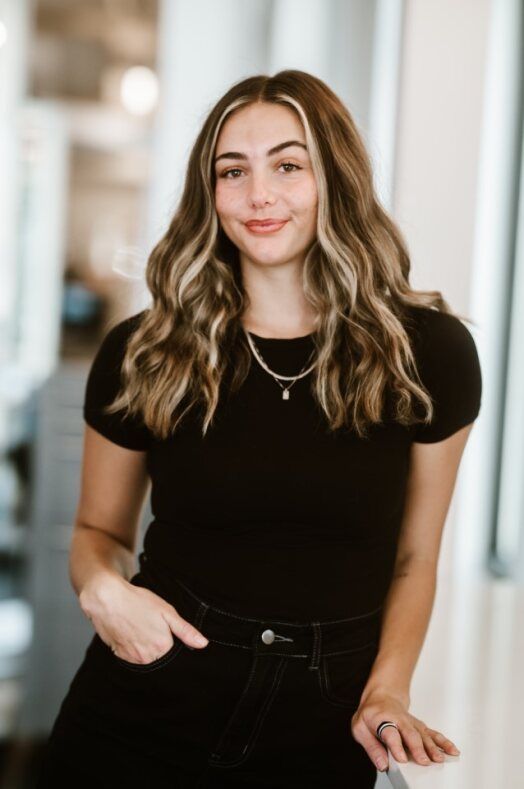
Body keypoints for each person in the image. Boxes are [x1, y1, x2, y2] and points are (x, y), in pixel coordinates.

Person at [37, 69, 482, 788]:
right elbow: (99, 534)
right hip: (146, 701)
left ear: (333, 178)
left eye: (287, 165)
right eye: (232, 171)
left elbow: (415, 559)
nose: (258, 195)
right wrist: (100, 588)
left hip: (321, 721)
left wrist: (386, 690)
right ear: (208, 193)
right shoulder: (144, 351)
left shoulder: (427, 354)